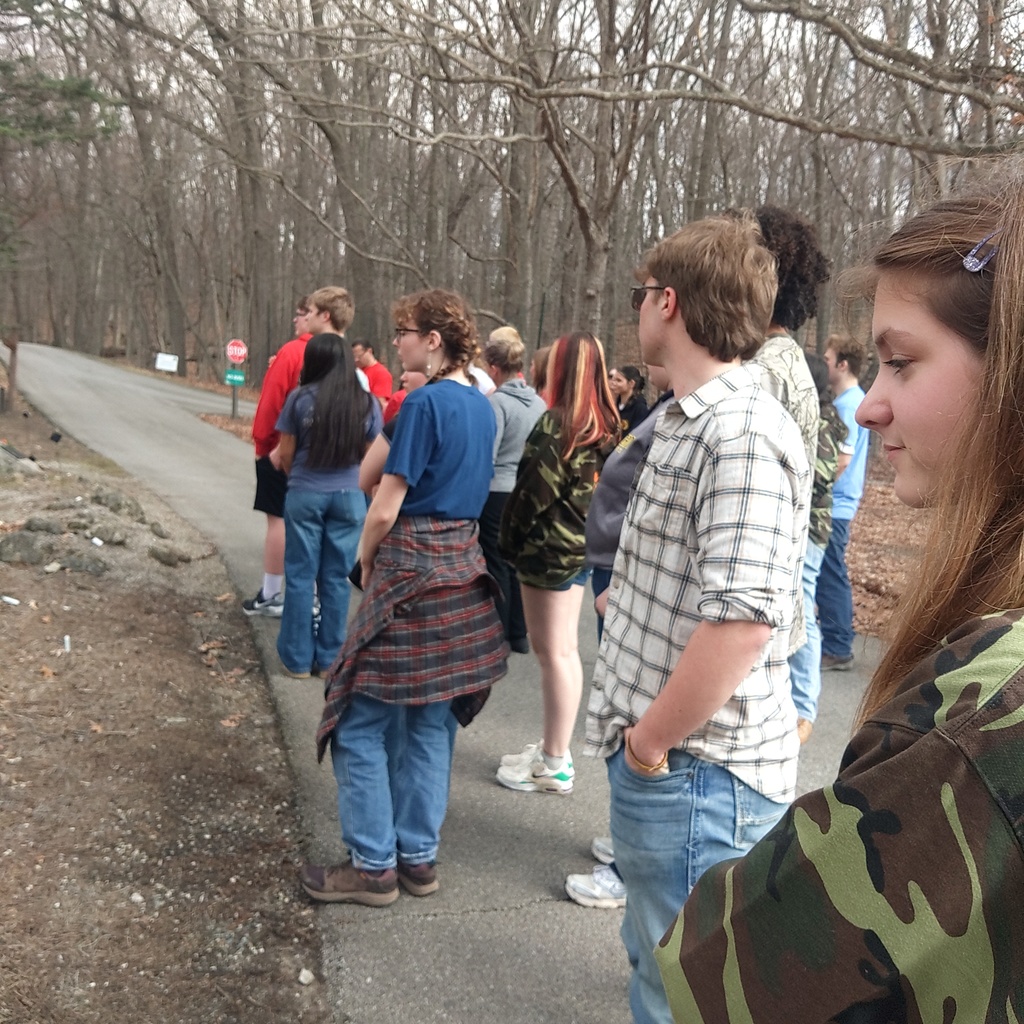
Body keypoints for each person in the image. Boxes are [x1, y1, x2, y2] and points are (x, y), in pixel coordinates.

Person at [655, 180, 1024, 1024]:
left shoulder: (991, 705)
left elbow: (730, 982)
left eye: (902, 360)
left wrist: (647, 752)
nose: (870, 406)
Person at [585, 214, 809, 1024]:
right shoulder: (691, 416)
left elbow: (744, 625)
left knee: (684, 994)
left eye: (641, 294)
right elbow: (709, 577)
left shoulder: (741, 431)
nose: (637, 307)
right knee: (658, 964)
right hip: (674, 767)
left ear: (668, 303)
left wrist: (648, 745)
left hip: (696, 775)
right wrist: (632, 595)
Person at [301, 289, 508, 906]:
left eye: (406, 332)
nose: (398, 341)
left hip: (412, 572)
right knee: (430, 722)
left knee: (360, 722)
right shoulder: (482, 408)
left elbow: (384, 501)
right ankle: (418, 860)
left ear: (435, 341)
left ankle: (372, 868)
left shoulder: (422, 405)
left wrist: (366, 563)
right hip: (463, 571)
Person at [564, 362, 673, 910]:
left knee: (638, 718)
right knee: (623, 706)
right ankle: (629, 837)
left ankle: (634, 866)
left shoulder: (694, 416)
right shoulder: (667, 406)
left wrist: (625, 586)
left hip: (632, 585)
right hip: (617, 574)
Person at [497, 331, 619, 795]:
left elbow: (531, 496)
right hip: (582, 550)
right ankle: (555, 749)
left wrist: (507, 543)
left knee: (554, 655)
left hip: (548, 554)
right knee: (564, 651)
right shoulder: (608, 427)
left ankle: (553, 763)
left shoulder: (558, 426)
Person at [271, 334, 382, 678]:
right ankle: (331, 658)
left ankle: (297, 659)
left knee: (302, 576)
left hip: (306, 492)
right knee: (335, 578)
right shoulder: (367, 403)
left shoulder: (299, 399)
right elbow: (371, 454)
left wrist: (299, 478)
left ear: (314, 362)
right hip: (350, 497)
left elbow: (286, 453)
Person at [244, 287, 355, 616]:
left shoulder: (294, 352)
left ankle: (272, 593)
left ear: (324, 316)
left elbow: (271, 403)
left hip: (287, 452)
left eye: (307, 312)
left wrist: (264, 445)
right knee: (321, 531)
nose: (300, 318)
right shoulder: (349, 358)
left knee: (278, 521)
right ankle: (317, 599)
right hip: (336, 463)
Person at [787, 351, 848, 743]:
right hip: (802, 522)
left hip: (811, 526)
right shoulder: (812, 414)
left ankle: (804, 707)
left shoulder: (823, 419)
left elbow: (825, 474)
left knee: (805, 608)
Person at [479, 326, 546, 655]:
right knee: (518, 562)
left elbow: (488, 455)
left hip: (498, 492)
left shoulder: (497, 404)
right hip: (528, 492)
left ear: (494, 369)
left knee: (497, 561)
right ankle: (519, 632)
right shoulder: (538, 404)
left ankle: (499, 632)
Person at [817, 332, 870, 670]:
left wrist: (813, 490)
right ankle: (834, 641)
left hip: (834, 505)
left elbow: (841, 460)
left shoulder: (850, 405)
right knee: (827, 572)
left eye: (827, 359)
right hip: (836, 504)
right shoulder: (847, 401)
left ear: (843, 364)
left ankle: (838, 648)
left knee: (830, 572)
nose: (824, 364)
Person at [351, 340, 393, 407]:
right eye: (354, 357)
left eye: (359, 356)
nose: (356, 360)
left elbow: (380, 404)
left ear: (369, 351)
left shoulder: (381, 373)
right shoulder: (356, 371)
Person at [608, 365, 649, 432]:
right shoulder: (615, 404)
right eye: (613, 379)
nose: (613, 383)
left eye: (618, 381)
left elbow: (637, 434)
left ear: (631, 383)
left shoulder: (639, 407)